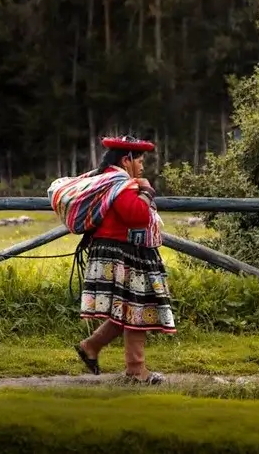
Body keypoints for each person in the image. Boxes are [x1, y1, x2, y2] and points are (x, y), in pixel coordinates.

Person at [63, 136, 176, 385]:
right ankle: (136, 370)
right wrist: (146, 190)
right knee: (137, 308)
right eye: (140, 160)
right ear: (126, 160)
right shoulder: (122, 183)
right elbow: (135, 215)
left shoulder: (109, 181)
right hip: (123, 252)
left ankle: (91, 347)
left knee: (128, 310)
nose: (143, 166)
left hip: (115, 250)